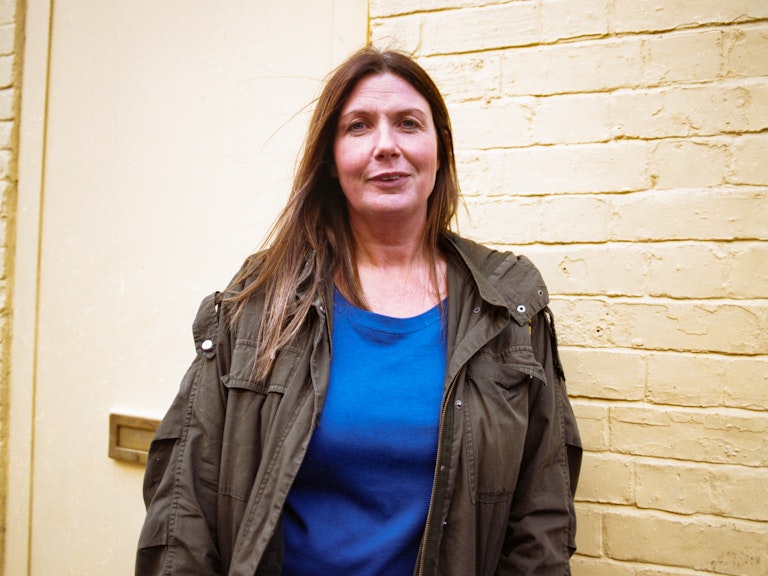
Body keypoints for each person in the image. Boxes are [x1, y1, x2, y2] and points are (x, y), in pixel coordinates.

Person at [136, 46, 582, 576]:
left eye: (409, 124)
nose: (386, 146)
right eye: (359, 127)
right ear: (330, 158)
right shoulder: (261, 299)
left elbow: (543, 511)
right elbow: (185, 497)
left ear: (440, 149)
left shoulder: (506, 307)